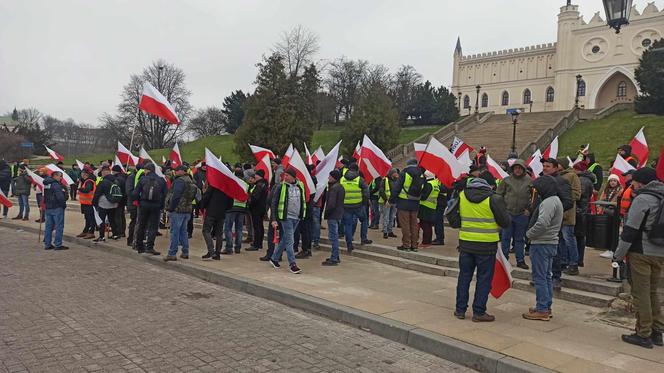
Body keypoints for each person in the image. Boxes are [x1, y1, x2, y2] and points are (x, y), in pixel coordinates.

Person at [613, 168, 664, 349]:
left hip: (641, 252)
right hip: (659, 252)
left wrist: (618, 254)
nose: (631, 184)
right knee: (652, 292)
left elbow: (630, 231)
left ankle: (643, 334)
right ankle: (658, 331)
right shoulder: (662, 196)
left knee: (640, 293)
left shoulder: (642, 199)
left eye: (633, 181)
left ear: (641, 182)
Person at [453, 177, 510, 321]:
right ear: (488, 186)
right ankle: (479, 312)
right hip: (486, 245)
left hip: (466, 243)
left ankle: (460, 310)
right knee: (484, 279)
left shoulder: (461, 195)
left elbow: (453, 218)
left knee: (464, 277)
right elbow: (505, 222)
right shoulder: (494, 199)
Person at [522, 176, 563, 321]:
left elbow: (542, 223)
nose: (536, 192)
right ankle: (546, 305)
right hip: (551, 242)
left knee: (540, 277)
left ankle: (542, 309)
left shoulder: (548, 203)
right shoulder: (556, 200)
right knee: (546, 277)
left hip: (541, 243)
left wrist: (529, 234)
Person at [496, 159, 532, 269]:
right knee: (506, 237)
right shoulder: (506, 180)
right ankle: (504, 259)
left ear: (523, 169)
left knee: (520, 239)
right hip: (508, 213)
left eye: (520, 168)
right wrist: (502, 210)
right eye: (516, 168)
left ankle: (520, 260)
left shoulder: (529, 181)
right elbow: (498, 196)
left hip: (522, 214)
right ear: (513, 169)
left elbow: (534, 197)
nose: (518, 170)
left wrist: (529, 209)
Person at [269, 167, 304, 274]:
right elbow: (274, 203)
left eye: (287, 175)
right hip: (286, 217)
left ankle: (274, 258)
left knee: (285, 239)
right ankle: (292, 264)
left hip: (297, 217)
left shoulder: (300, 185)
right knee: (290, 241)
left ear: (293, 177)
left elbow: (302, 200)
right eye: (285, 175)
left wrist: (302, 214)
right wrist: (274, 219)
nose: (285, 177)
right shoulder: (281, 186)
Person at [163, 165, 198, 261]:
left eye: (177, 170)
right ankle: (185, 252)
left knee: (175, 232)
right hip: (187, 209)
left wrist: (171, 208)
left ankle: (172, 253)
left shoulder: (180, 181)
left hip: (178, 210)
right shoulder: (191, 181)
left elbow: (176, 196)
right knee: (184, 232)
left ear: (181, 171)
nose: (175, 172)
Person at [132, 163, 166, 255]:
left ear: (148, 170)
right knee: (153, 227)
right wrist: (161, 206)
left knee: (142, 225)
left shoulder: (143, 179)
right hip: (156, 206)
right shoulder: (161, 180)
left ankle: (139, 246)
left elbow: (135, 193)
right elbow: (164, 195)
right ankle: (150, 247)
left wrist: (139, 202)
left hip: (143, 205)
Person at [392, 159, 425, 252]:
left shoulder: (404, 173)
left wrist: (391, 200)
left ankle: (406, 245)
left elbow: (397, 187)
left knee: (405, 224)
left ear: (408, 164)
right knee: (414, 225)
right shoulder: (421, 173)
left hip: (404, 202)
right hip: (415, 202)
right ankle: (414, 245)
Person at [557, 159, 582, 276]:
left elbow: (577, 194)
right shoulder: (558, 176)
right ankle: (563, 261)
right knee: (561, 240)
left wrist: (564, 195)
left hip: (568, 213)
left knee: (569, 240)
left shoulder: (572, 176)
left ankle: (573, 263)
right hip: (558, 213)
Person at [340, 163, 371, 252]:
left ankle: (349, 244)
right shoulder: (359, 179)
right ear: (357, 170)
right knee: (364, 220)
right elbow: (366, 193)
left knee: (348, 225)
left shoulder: (342, 179)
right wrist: (364, 203)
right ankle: (363, 238)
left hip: (346, 206)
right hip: (358, 205)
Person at [199, 181, 232, 260]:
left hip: (211, 211)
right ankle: (217, 253)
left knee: (206, 230)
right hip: (221, 213)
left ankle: (211, 251)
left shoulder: (214, 185)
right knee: (219, 234)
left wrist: (202, 206)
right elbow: (230, 203)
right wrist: (224, 209)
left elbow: (206, 197)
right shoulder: (228, 188)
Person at [573, 161, 596, 268]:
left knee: (577, 237)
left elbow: (578, 195)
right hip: (583, 210)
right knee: (580, 237)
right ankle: (579, 259)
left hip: (579, 211)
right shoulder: (587, 180)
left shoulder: (581, 180)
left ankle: (577, 259)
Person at [222, 170, 249, 254]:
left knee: (228, 228)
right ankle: (238, 247)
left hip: (231, 207)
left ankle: (229, 247)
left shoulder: (232, 183)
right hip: (242, 208)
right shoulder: (246, 185)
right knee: (239, 229)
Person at [323, 170, 345, 266]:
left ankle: (334, 257)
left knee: (333, 237)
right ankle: (336, 256)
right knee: (334, 236)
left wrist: (326, 213)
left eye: (330, 176)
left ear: (334, 177)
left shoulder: (334, 188)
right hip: (339, 214)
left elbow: (331, 204)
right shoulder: (340, 187)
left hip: (333, 215)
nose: (328, 178)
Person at [92, 166, 120, 242]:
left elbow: (97, 193)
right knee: (112, 219)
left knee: (102, 220)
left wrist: (94, 203)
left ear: (104, 172)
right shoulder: (116, 180)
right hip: (114, 203)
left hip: (104, 204)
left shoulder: (103, 182)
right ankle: (115, 234)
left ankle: (102, 236)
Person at [42, 171, 69, 251]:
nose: (61, 178)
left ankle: (47, 244)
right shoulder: (56, 185)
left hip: (48, 207)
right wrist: (63, 205)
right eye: (60, 176)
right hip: (57, 207)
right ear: (55, 176)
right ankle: (58, 244)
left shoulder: (47, 183)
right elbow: (60, 197)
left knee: (48, 227)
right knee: (59, 226)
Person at [247, 169, 269, 251]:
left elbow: (255, 197)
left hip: (257, 208)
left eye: (256, 175)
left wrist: (250, 199)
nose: (254, 176)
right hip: (262, 208)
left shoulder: (259, 185)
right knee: (260, 226)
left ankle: (256, 244)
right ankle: (259, 243)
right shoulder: (263, 184)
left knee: (257, 226)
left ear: (259, 176)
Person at [125, 163, 144, 247]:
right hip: (133, 203)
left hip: (139, 203)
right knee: (134, 221)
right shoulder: (131, 177)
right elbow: (129, 191)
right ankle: (130, 239)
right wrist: (137, 195)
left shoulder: (141, 177)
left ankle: (138, 239)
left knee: (139, 222)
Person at [418, 172, 439, 247]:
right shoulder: (435, 183)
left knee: (425, 225)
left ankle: (425, 242)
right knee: (428, 225)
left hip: (425, 206)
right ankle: (428, 241)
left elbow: (424, 197)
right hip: (432, 206)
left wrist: (419, 193)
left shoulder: (428, 184)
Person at [76, 167, 97, 239]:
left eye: (82, 173)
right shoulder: (86, 181)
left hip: (89, 203)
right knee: (87, 218)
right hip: (86, 203)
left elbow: (87, 190)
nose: (81, 175)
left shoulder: (89, 181)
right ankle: (86, 231)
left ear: (85, 174)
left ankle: (91, 232)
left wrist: (80, 189)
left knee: (91, 218)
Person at [379, 168, 399, 240]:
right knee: (386, 217)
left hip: (394, 201)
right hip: (387, 202)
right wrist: (386, 200)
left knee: (392, 217)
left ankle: (390, 231)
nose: (397, 174)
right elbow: (381, 190)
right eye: (395, 173)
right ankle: (385, 231)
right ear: (392, 174)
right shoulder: (385, 180)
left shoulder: (397, 180)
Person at [112, 165, 128, 238]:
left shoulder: (117, 179)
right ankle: (122, 231)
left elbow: (116, 190)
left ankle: (118, 232)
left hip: (118, 200)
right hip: (124, 199)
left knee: (117, 216)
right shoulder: (125, 177)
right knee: (122, 216)